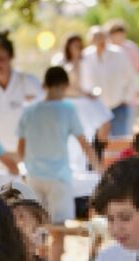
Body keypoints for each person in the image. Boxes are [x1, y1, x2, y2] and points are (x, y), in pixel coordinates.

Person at [17, 66, 100, 261]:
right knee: (58, 229)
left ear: (44, 85)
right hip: (59, 177)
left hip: (34, 175)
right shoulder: (67, 109)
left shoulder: (29, 111)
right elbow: (84, 143)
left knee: (35, 227)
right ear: (64, 86)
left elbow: (20, 147)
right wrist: (99, 168)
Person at [51, 33, 113, 174]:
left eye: (79, 45)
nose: (77, 48)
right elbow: (65, 86)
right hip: (69, 103)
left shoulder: (86, 61)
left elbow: (89, 83)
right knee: (72, 140)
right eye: (74, 45)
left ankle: (95, 156)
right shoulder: (61, 62)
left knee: (94, 129)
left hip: (84, 103)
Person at [80, 26, 136, 136]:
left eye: (101, 37)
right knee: (96, 143)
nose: (99, 40)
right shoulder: (85, 56)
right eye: (95, 37)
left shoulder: (118, 53)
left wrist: (126, 98)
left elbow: (131, 78)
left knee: (119, 141)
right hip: (95, 107)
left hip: (118, 106)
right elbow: (82, 80)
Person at [105, 19, 139, 134]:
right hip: (107, 99)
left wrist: (127, 96)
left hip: (126, 100)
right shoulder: (104, 50)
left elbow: (135, 72)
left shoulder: (131, 49)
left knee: (124, 133)